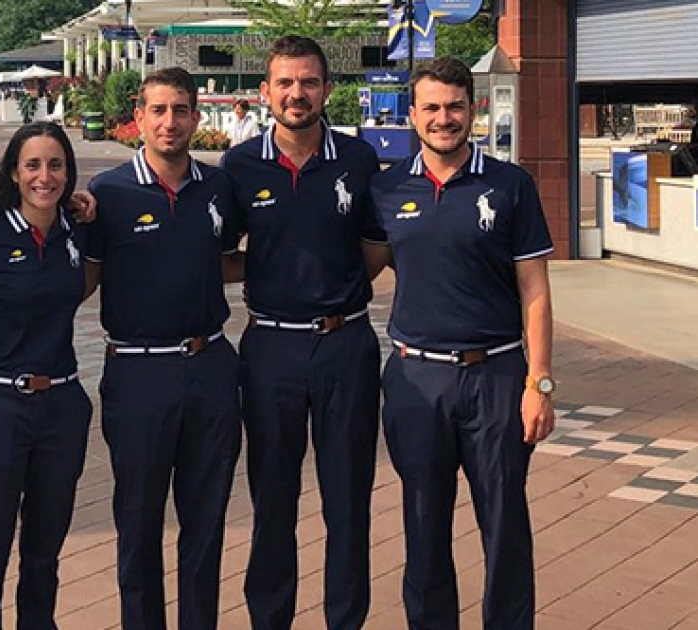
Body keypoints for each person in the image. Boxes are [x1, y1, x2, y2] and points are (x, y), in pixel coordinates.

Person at [368, 57, 555, 630]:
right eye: (431, 107)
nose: (443, 118)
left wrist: (539, 383)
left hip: (497, 377)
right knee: (423, 524)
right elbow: (357, 270)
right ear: (413, 114)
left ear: (471, 109)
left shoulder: (509, 185)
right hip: (414, 379)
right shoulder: (388, 187)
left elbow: (536, 292)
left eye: (454, 106)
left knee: (504, 524)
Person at [219, 35, 387, 630]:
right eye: (285, 83)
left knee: (348, 499)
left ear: (326, 90)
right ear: (265, 93)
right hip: (271, 348)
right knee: (272, 498)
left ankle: (345, 619)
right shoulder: (239, 168)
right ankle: (271, 618)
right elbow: (218, 253)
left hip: (347, 345)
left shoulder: (357, 160)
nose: (297, 93)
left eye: (309, 82)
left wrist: (334, 288)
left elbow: (375, 247)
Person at [85, 66, 242, 630]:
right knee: (139, 520)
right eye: (158, 110)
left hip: (211, 367)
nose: (170, 122)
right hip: (137, 373)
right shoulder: (107, 195)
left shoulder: (219, 187)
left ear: (197, 118)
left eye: (180, 110)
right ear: (139, 119)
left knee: (206, 521)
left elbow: (227, 259)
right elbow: (80, 280)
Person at [0, 122, 93, 630]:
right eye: (33, 165)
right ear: (14, 173)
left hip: (61, 404)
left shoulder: (75, 229)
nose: (45, 176)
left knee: (44, 548)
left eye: (55, 165)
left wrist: (87, 209)